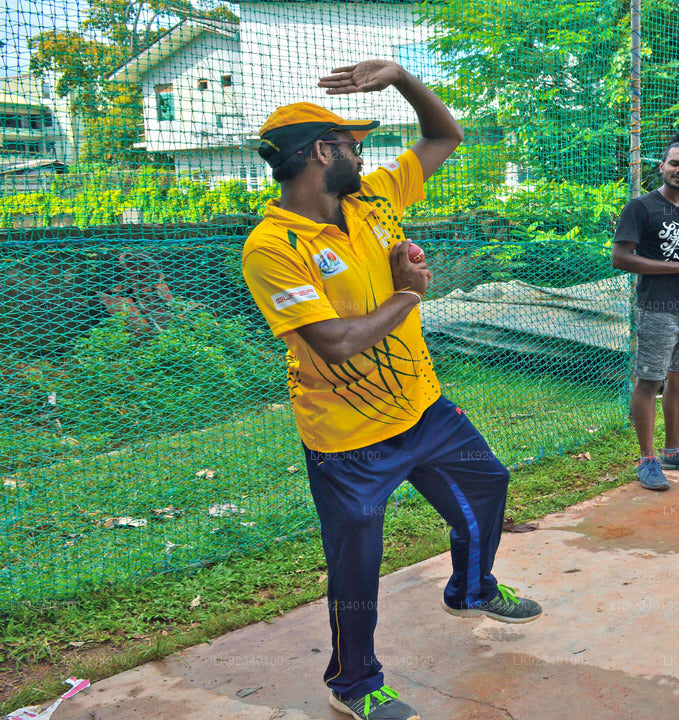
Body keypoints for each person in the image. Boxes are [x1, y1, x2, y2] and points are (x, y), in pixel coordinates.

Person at [241, 60, 540, 720]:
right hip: (348, 437)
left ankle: (471, 589)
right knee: (357, 566)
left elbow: (444, 136)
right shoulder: (272, 247)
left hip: (424, 407)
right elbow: (334, 342)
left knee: (487, 484)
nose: (362, 154)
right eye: (352, 144)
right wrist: (409, 295)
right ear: (322, 152)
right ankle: (353, 682)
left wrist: (402, 78)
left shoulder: (372, 200)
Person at [611, 132, 679, 491]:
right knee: (649, 382)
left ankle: (674, 451)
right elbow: (620, 258)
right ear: (661, 166)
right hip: (657, 309)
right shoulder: (641, 208)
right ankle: (647, 460)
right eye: (674, 163)